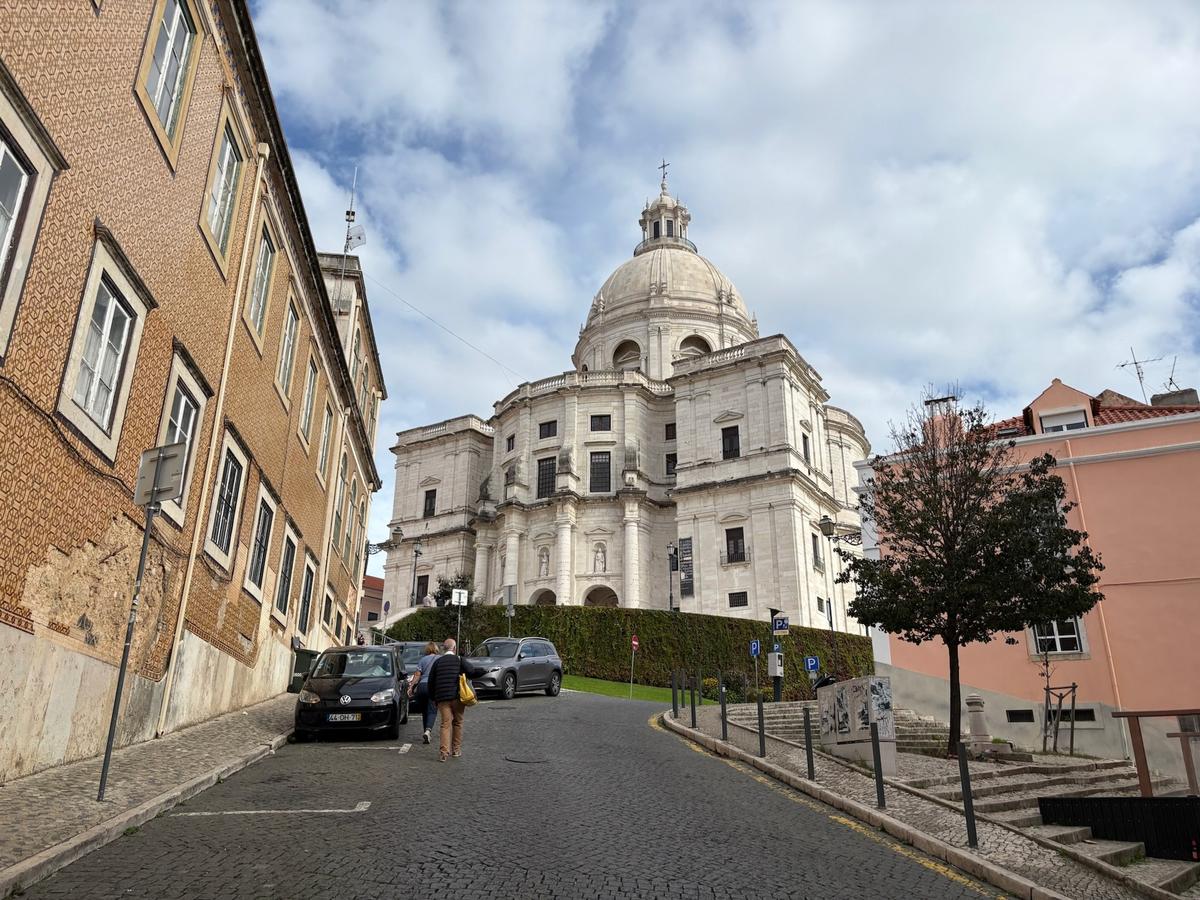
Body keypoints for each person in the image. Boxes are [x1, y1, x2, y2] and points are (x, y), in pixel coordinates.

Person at [426, 637, 482, 762]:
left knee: (445, 724)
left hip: (442, 698)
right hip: (457, 697)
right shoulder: (459, 660)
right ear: (454, 648)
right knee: (457, 723)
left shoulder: (437, 662)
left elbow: (431, 682)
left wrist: (433, 698)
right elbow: (471, 672)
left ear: (443, 649)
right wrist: (485, 671)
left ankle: (443, 753)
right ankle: (456, 750)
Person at [408, 641, 441, 744]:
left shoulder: (422, 660)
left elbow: (417, 675)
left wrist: (411, 687)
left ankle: (426, 734)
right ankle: (428, 731)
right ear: (436, 649)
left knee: (424, 711)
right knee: (432, 710)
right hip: (432, 686)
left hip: (422, 687)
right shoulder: (439, 659)